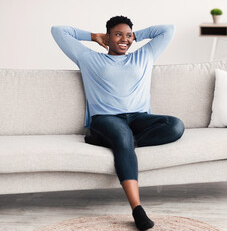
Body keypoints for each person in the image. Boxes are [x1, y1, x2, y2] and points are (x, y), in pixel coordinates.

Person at [51, 15, 185, 230]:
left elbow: (168, 29)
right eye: (118, 34)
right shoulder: (89, 58)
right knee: (122, 136)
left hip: (139, 118)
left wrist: (135, 36)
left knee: (175, 125)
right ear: (108, 37)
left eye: (128, 35)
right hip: (105, 119)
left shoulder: (144, 55)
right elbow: (58, 30)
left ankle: (116, 143)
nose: (124, 39)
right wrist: (93, 36)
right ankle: (137, 209)